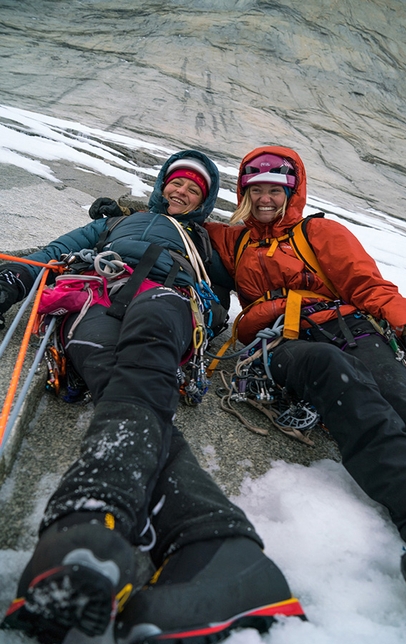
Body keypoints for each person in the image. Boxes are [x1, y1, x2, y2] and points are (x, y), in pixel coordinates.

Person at [0, 150, 305, 643]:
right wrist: (11, 277)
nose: (182, 192)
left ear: (204, 203)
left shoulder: (207, 242)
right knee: (97, 357)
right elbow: (54, 251)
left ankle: (94, 514)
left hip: (169, 296)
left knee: (141, 361)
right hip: (99, 292)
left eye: (194, 190)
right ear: (163, 185)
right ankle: (220, 547)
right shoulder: (121, 221)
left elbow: (237, 288)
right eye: (177, 183)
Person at [205, 145, 406, 611]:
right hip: (282, 344)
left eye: (275, 190)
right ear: (245, 194)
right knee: (345, 385)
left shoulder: (319, 232)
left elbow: (368, 285)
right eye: (256, 190)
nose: (266, 198)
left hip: (348, 327)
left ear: (292, 191)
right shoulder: (236, 240)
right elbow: (187, 216)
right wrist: (129, 209)